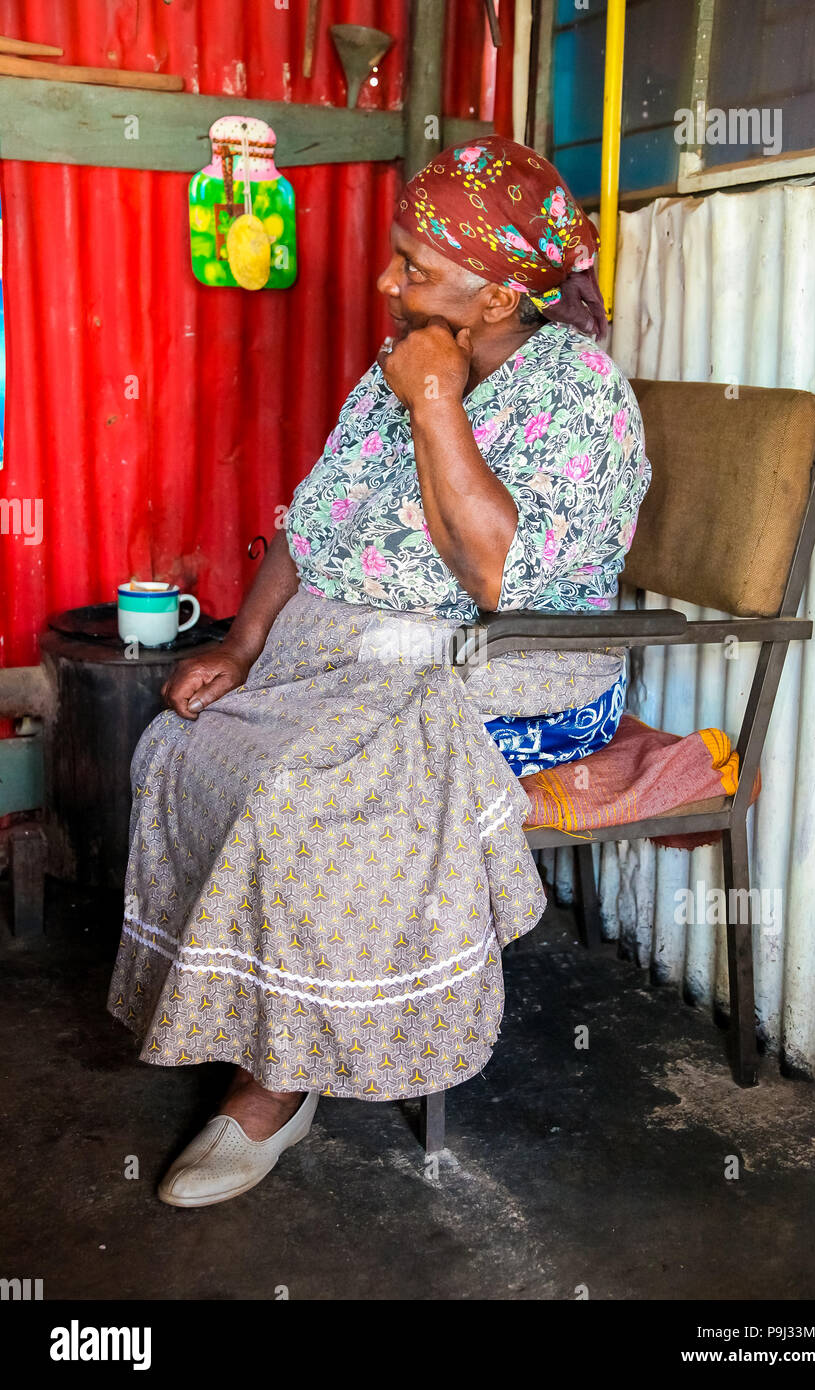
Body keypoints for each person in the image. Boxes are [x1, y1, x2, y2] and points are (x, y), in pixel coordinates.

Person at [108, 136, 650, 1207]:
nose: (383, 282)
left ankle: (270, 1083)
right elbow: (311, 527)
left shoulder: (579, 395)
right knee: (180, 740)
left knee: (297, 794)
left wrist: (438, 403)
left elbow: (495, 577)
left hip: (508, 672)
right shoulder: (391, 365)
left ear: (497, 295)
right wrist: (240, 644)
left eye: (413, 265)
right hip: (353, 648)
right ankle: (267, 1025)